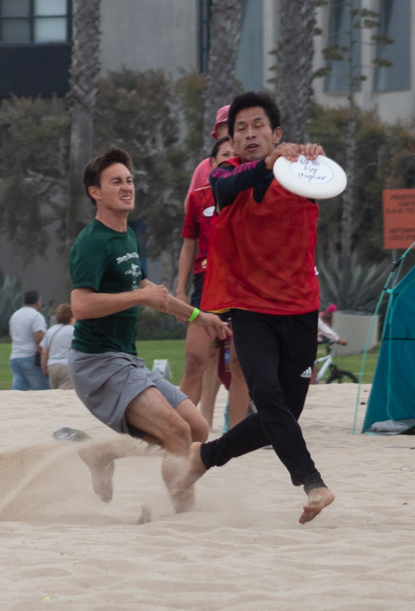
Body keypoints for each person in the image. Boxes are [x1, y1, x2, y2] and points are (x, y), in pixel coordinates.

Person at [177, 91, 336, 524]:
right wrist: (267, 165)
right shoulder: (225, 175)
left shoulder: (302, 173)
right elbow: (227, 188)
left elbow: (328, 181)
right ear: (231, 140)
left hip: (300, 308)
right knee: (265, 393)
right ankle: (312, 482)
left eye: (258, 126)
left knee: (282, 413)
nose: (249, 134)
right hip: (249, 307)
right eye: (240, 129)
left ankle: (205, 456)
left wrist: (313, 159)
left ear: (276, 133)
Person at [67, 147, 229, 512]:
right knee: (177, 432)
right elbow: (81, 305)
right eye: (116, 182)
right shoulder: (92, 242)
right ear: (95, 192)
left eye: (129, 180)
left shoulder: (126, 236)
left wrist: (198, 316)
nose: (127, 187)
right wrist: (140, 297)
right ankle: (184, 515)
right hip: (97, 363)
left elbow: (147, 289)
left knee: (197, 430)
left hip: (126, 359)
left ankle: (102, 453)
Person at [176, 136, 251, 430]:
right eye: (224, 155)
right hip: (206, 285)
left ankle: (236, 435)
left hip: (243, 287)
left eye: (235, 155)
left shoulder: (254, 195)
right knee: (195, 358)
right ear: (212, 163)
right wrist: (180, 291)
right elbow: (188, 246)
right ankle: (181, 430)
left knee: (241, 365)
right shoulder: (198, 198)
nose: (230, 159)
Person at [9, 290, 50, 391]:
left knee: (18, 391)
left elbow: (13, 338)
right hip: (30, 356)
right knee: (43, 390)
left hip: (15, 356)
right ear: (38, 301)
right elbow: (39, 340)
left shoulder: (15, 315)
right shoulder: (36, 316)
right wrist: (44, 359)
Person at [187, 105, 230, 195]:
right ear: (218, 133)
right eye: (227, 126)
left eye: (236, 125)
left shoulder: (250, 163)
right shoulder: (204, 167)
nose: (232, 130)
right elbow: (192, 200)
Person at [41, 303, 75, 390]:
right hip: (66, 366)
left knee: (56, 392)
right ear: (71, 317)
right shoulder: (73, 331)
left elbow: (44, 352)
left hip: (52, 366)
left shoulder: (50, 330)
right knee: (66, 393)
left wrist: (44, 367)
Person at [313, 304, 348, 384]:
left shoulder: (324, 317)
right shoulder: (316, 316)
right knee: (312, 370)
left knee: (313, 368)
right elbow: (324, 329)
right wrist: (338, 340)